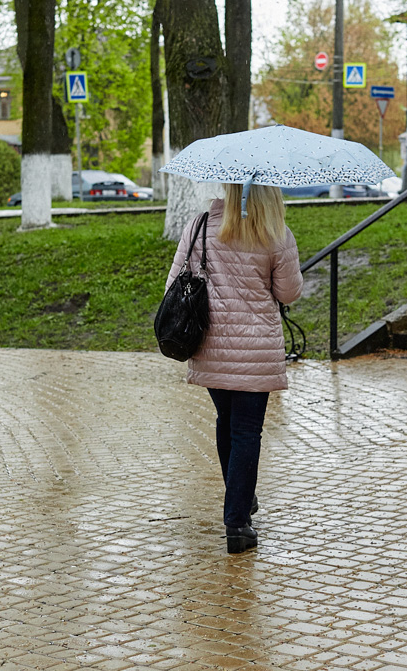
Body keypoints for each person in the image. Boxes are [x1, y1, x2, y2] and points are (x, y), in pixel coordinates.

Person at [165, 183, 303, 554]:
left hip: (209, 345)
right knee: (246, 431)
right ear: (271, 193)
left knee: (226, 423)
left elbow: (173, 284)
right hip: (256, 350)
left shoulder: (199, 226)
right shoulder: (276, 233)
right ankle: (237, 523)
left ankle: (240, 499)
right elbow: (289, 293)